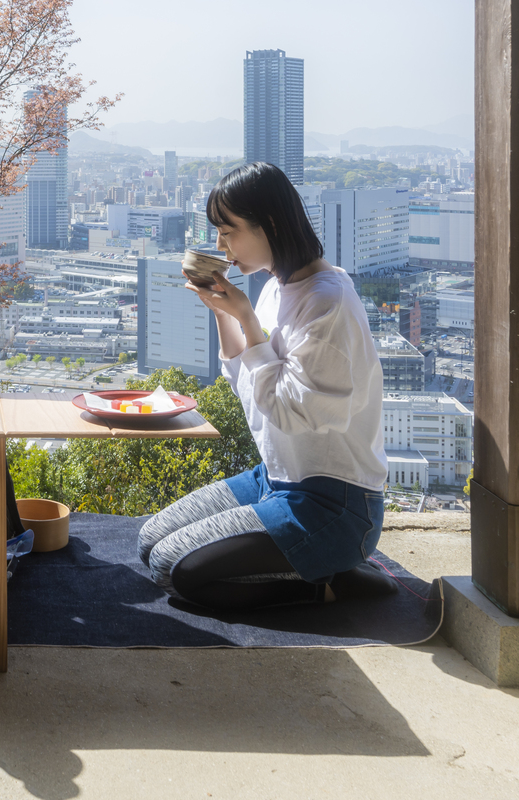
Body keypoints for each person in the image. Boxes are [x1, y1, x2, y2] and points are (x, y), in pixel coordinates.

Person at [138, 161, 390, 609]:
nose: (220, 245)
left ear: (270, 224)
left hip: (335, 504)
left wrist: (248, 320)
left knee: (174, 570)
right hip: (276, 478)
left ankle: (331, 584)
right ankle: (313, 565)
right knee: (150, 541)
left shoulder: (327, 303)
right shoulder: (276, 286)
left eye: (228, 231)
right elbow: (251, 386)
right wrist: (223, 312)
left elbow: (292, 413)